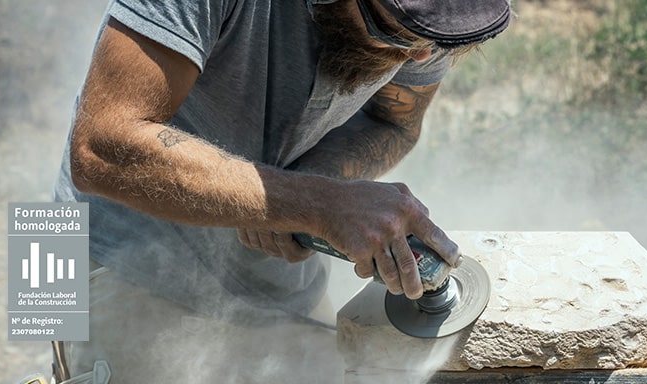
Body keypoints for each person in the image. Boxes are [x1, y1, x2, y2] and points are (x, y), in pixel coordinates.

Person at [51, 0, 511, 382]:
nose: (417, 59)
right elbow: (99, 148)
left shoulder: (424, 19)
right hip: (107, 254)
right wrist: (315, 203)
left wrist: (310, 192)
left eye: (438, 42)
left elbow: (392, 122)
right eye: (397, 34)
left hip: (275, 281)